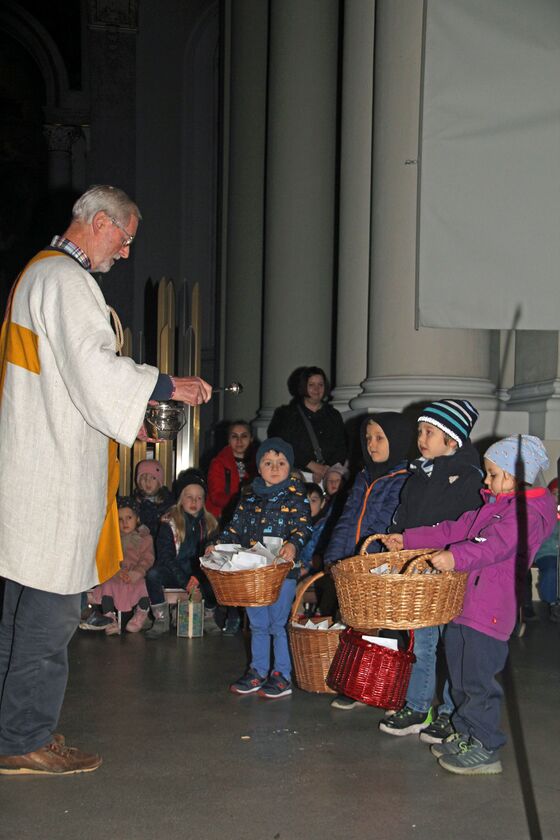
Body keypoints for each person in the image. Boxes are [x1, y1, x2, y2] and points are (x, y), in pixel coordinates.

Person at [0, 185, 212, 775]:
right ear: (98, 222)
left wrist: (131, 419)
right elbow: (94, 367)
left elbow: (68, 382)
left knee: (18, 615)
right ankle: (23, 738)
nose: (123, 253)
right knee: (50, 615)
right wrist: (167, 385)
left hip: (31, 472)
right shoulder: (68, 281)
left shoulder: (34, 276)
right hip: (54, 481)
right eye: (123, 239)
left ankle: (8, 728)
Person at [399, 435, 556, 775]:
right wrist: (409, 538)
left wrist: (455, 557)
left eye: (493, 473)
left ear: (515, 475)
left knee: (478, 682)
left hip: (491, 611)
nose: (486, 480)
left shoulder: (527, 515)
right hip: (465, 603)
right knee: (459, 675)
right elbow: (457, 527)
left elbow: (494, 545)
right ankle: (467, 733)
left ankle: (486, 747)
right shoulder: (495, 506)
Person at [379, 399, 483, 741]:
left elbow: (469, 525)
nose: (421, 438)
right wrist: (399, 537)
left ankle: (451, 712)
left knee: (454, 645)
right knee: (421, 643)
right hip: (420, 573)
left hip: (451, 573)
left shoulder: (468, 478)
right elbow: (405, 513)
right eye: (421, 431)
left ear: (452, 441)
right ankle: (418, 707)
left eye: (430, 432)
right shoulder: (419, 474)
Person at [322, 413, 415, 710]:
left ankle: (389, 687)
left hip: (381, 567)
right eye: (368, 439)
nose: (372, 445)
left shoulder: (403, 479)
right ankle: (359, 684)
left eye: (379, 438)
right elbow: (347, 518)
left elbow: (384, 522)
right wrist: (335, 556)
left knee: (388, 630)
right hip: (356, 566)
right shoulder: (363, 477)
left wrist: (366, 560)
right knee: (358, 626)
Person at [209, 437, 312, 699]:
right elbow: (235, 527)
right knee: (257, 624)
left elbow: (303, 526)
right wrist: (218, 545)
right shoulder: (249, 496)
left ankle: (282, 674)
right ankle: (258, 670)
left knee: (278, 624)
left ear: (289, 466)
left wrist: (293, 544)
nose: (275, 468)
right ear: (259, 467)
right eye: (268, 463)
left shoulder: (296, 494)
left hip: (281, 572)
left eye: (281, 462)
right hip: (253, 572)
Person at [145, 470, 218, 639]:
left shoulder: (210, 524)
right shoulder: (169, 523)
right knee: (153, 575)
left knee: (215, 578)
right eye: (189, 497)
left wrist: (197, 576)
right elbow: (166, 557)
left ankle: (208, 616)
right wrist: (185, 581)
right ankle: (161, 618)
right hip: (175, 571)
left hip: (200, 573)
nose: (194, 501)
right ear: (180, 499)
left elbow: (212, 557)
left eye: (199, 498)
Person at [82, 496, 155, 635]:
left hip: (135, 574)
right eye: (120, 519)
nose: (125, 523)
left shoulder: (145, 538)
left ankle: (141, 612)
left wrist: (137, 572)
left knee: (143, 585)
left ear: (137, 518)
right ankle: (109, 618)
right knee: (108, 585)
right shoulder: (112, 539)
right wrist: (116, 571)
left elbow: (147, 558)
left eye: (129, 518)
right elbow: (108, 558)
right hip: (116, 574)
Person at [268, 366, 347, 484]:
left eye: (320, 385)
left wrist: (328, 469)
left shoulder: (333, 415)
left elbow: (342, 445)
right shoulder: (287, 414)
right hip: (297, 475)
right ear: (303, 386)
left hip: (328, 476)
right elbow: (281, 444)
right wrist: (312, 466)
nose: (317, 389)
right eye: (311, 385)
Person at [206, 420, 257, 521]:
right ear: (228, 440)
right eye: (234, 436)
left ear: (251, 439)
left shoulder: (258, 463)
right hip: (221, 517)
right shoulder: (218, 462)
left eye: (244, 436)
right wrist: (239, 502)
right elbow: (216, 496)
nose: (239, 441)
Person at [530, 477, 560, 621]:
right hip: (547, 552)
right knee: (551, 571)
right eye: (555, 494)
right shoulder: (543, 512)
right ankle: (554, 603)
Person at [133, 459, 174, 537]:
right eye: (143, 477)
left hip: (163, 540)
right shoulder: (135, 502)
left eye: (153, 478)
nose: (148, 482)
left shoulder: (168, 501)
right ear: (138, 482)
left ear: (160, 482)